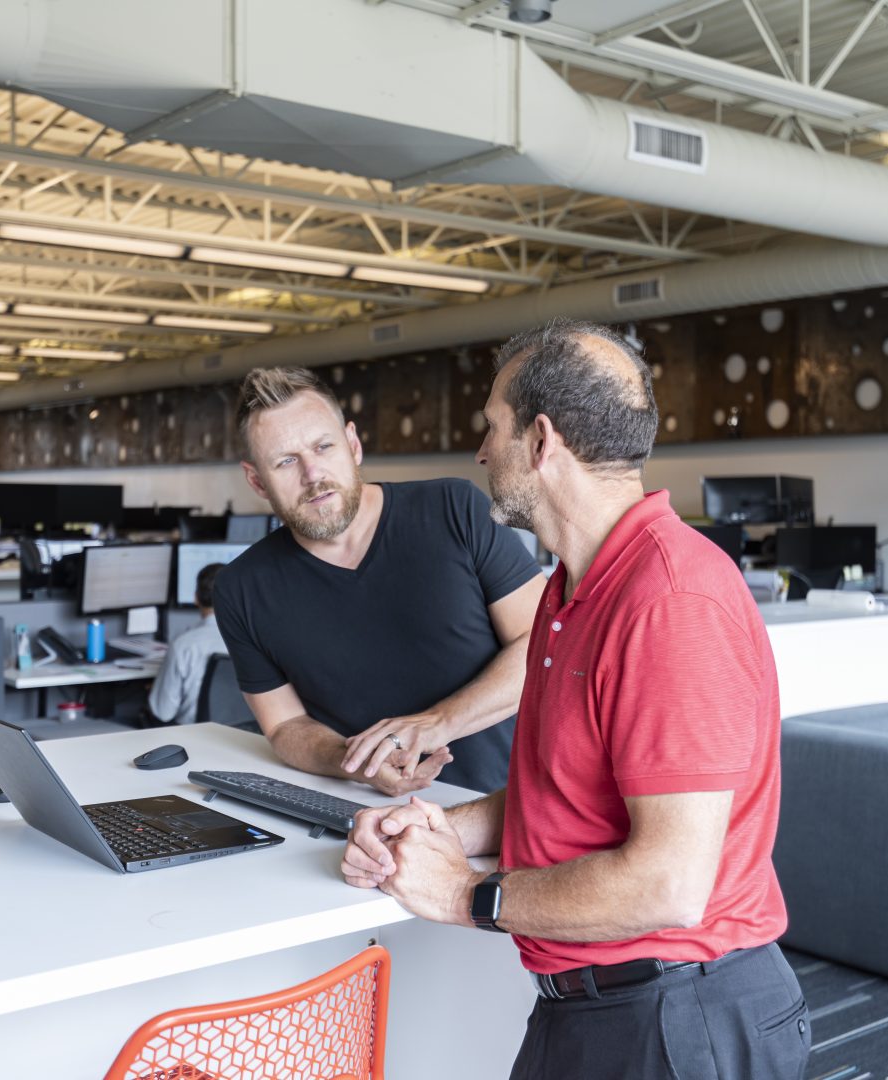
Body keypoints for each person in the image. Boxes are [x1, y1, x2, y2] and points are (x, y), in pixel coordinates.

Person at [341, 320, 808, 1079]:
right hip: (594, 1005)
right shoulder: (572, 589)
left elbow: (669, 884)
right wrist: (433, 830)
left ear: (540, 440)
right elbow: (565, 794)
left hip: (678, 1015)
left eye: (493, 426)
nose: (482, 451)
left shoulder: (671, 601)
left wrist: (464, 895)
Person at [213, 366, 544, 796]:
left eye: (323, 446)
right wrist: (356, 762)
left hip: (503, 805)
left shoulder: (454, 509)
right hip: (362, 812)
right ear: (257, 480)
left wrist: (436, 724)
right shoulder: (241, 588)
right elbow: (284, 725)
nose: (312, 474)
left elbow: (542, 644)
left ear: (352, 444)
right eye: (286, 461)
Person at [146, 562, 229, 725]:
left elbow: (163, 712)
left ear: (196, 598)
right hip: (245, 734)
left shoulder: (184, 645)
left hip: (193, 734)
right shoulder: (255, 642)